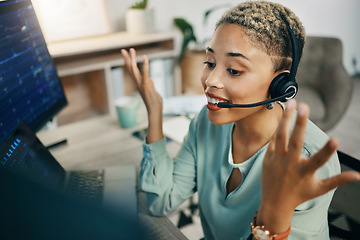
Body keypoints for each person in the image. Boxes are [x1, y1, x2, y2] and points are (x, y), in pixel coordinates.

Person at [121, 1, 360, 239]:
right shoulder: (205, 123)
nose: (211, 80)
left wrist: (277, 213)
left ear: (281, 86)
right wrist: (154, 112)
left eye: (234, 70)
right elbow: (160, 202)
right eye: (210, 63)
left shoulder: (306, 159)